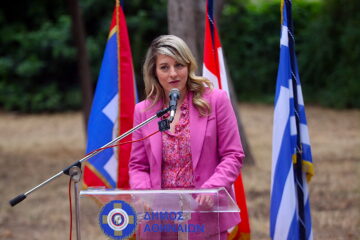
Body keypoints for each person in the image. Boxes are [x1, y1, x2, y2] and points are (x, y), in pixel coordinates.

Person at [129, 35, 245, 240]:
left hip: (204, 213)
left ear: (188, 65)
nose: (173, 73)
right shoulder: (144, 111)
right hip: (159, 219)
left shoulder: (215, 101)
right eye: (164, 67)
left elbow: (233, 155)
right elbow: (138, 165)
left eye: (179, 65)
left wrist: (211, 188)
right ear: (154, 72)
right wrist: (145, 194)